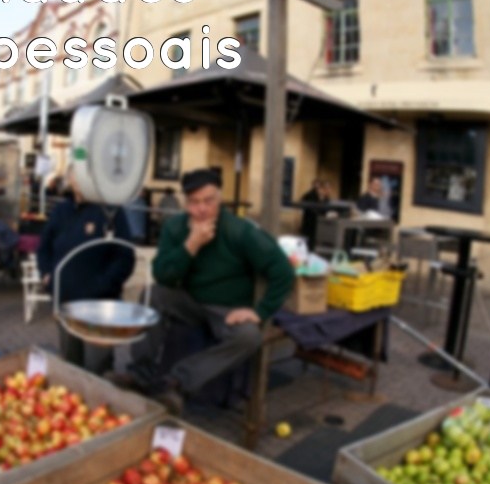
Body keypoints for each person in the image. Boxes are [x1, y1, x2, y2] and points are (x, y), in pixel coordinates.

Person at [117, 168, 295, 413]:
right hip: (190, 301)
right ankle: (140, 373)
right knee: (154, 293)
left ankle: (178, 382)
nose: (201, 209)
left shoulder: (239, 231)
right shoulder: (176, 228)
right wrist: (191, 245)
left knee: (249, 337)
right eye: (194, 202)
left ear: (219, 200)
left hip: (227, 309)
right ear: (186, 203)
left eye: (209, 201)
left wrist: (259, 311)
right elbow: (163, 274)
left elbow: (283, 271)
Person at [36, 169, 135, 374]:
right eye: (75, 174)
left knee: (98, 367)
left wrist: (101, 286)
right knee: (71, 364)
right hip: (66, 304)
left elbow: (125, 258)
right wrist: (47, 274)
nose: (79, 179)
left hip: (99, 308)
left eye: (86, 173)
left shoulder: (111, 211)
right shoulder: (61, 210)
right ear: (70, 179)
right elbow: (43, 247)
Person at [299, 178, 331, 250]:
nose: (328, 190)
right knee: (308, 242)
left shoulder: (326, 199)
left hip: (321, 225)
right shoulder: (311, 196)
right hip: (310, 224)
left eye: (329, 188)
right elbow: (311, 209)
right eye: (326, 188)